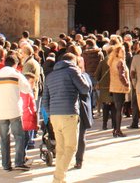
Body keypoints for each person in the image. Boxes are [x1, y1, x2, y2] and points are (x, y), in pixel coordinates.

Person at [42, 53, 90, 183]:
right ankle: (58, 177)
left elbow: (45, 99)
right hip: (69, 113)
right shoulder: (73, 71)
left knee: (61, 148)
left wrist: (50, 113)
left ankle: (61, 179)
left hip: (54, 115)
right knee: (71, 147)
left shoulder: (50, 75)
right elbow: (85, 89)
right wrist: (82, 72)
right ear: (73, 61)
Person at [0, 54, 33, 172]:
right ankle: (19, 161)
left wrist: (0, 104)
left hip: (2, 111)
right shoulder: (16, 75)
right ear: (16, 64)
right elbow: (27, 89)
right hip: (15, 110)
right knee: (19, 137)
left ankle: (6, 164)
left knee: (4, 139)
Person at [108, 43, 130, 137]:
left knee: (116, 109)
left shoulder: (112, 61)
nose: (123, 53)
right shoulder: (120, 62)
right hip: (120, 87)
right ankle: (118, 130)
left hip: (114, 86)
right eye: (122, 51)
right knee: (119, 110)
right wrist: (127, 84)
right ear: (117, 52)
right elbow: (122, 75)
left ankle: (115, 129)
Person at [73, 72, 93, 170]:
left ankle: (79, 160)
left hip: (80, 109)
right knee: (80, 136)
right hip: (78, 109)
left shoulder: (84, 76)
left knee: (81, 136)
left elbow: (87, 91)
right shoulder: (84, 76)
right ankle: (78, 160)